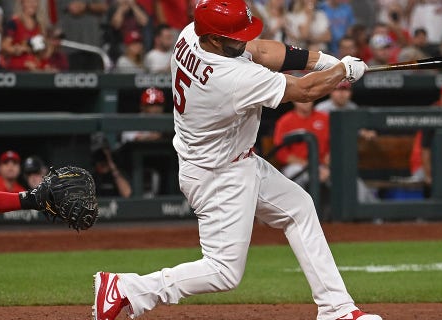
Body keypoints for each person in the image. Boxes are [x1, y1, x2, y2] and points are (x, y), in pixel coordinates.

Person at [91, 1, 380, 320]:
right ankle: (128, 289)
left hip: (233, 161)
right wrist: (342, 72)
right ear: (214, 38)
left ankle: (336, 309)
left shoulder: (190, 34)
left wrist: (327, 61)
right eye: (234, 36)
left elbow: (262, 49)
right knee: (223, 271)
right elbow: (305, 90)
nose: (243, 40)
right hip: (217, 175)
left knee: (298, 208)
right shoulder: (232, 77)